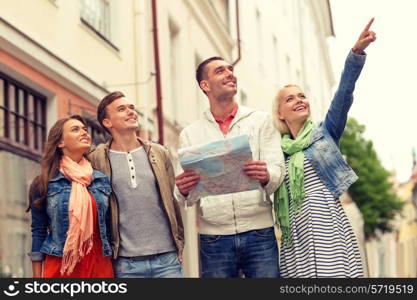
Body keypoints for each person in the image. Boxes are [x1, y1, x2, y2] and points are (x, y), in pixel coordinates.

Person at [272, 18, 377, 278]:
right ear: (280, 113)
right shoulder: (276, 151)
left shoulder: (325, 133)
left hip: (329, 231)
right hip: (295, 238)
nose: (299, 100)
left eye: (302, 96)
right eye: (290, 98)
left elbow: (343, 94)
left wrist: (355, 54)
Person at [175, 56, 285, 278]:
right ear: (205, 85)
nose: (229, 74)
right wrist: (183, 188)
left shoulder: (261, 121)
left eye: (230, 69)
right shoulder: (190, 133)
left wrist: (266, 175)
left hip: (259, 233)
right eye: (220, 71)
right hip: (213, 238)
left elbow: (277, 170)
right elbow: (183, 195)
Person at [88, 91, 184, 278]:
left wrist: (179, 242)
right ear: (107, 122)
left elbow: (172, 200)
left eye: (132, 108)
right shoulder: (96, 159)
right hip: (125, 263)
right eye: (122, 109)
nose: (131, 112)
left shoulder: (159, 153)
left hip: (167, 259)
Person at [28, 115, 113, 278]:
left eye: (84, 130)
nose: (84, 133)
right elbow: (38, 231)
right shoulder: (43, 183)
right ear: (60, 143)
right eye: (75, 130)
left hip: (99, 265)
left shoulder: (100, 179)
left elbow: (110, 228)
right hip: (62, 266)